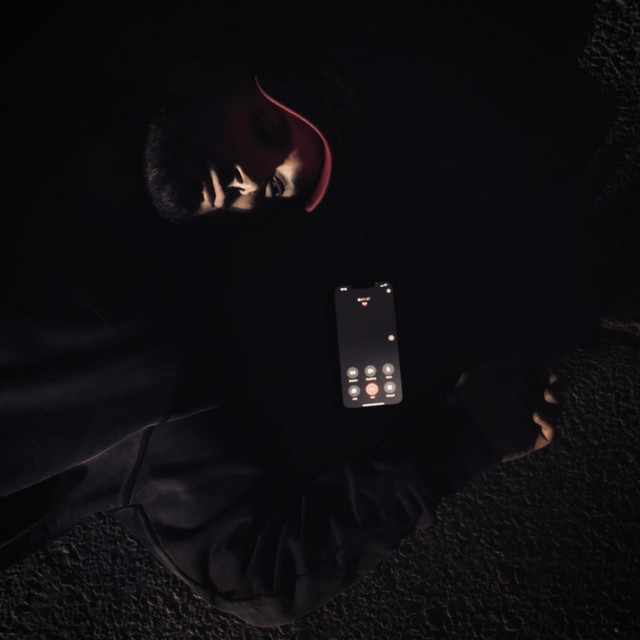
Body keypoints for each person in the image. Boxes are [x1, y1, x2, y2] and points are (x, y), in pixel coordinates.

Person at [0, 5, 616, 627]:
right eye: (264, 130)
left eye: (274, 188)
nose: (249, 180)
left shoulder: (171, 365)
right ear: (199, 73)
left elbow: (255, 568)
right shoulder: (40, 80)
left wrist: (461, 440)